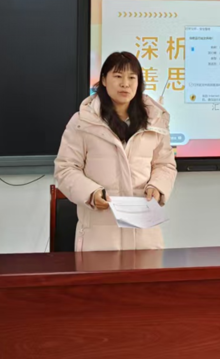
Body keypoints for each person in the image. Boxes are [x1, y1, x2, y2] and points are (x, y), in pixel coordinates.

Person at [55, 51, 177, 252]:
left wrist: (157, 186)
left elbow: (165, 165)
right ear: (104, 80)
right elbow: (66, 168)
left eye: (132, 78)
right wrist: (91, 193)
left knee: (147, 274)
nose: (125, 84)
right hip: (100, 236)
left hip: (145, 236)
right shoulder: (83, 121)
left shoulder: (155, 121)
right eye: (118, 76)